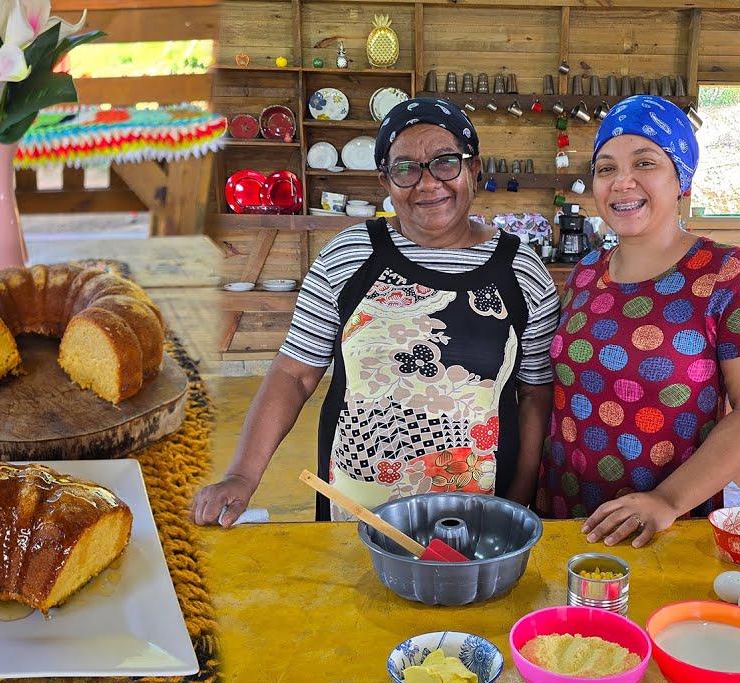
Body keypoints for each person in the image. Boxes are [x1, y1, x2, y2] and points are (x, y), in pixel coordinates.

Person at [192, 97, 558, 525]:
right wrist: (241, 475)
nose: (427, 183)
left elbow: (535, 395)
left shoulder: (522, 271)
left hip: (480, 511)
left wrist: (517, 500)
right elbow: (294, 373)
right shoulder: (348, 256)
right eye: (405, 168)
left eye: (445, 163)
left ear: (474, 170)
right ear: (386, 181)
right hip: (358, 505)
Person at [536, 95, 740, 548]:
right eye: (606, 168)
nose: (621, 182)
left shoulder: (730, 275)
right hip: (563, 515)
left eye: (645, 162)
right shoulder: (588, 271)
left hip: (663, 529)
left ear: (681, 179)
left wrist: (668, 500)